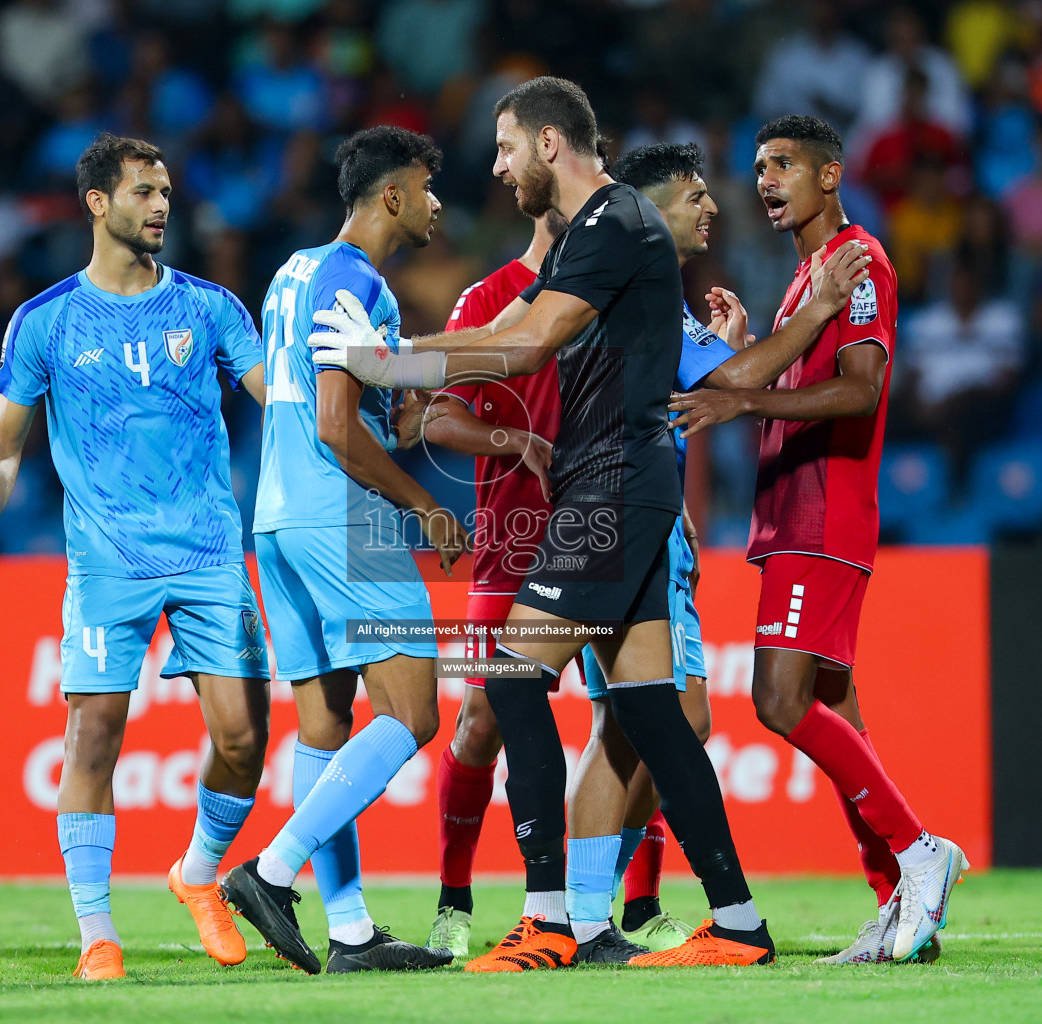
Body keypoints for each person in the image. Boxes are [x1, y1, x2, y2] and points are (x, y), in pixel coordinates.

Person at [314, 76, 779, 971]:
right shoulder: (598, 236)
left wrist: (378, 361)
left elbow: (525, 345)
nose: (497, 166)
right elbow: (515, 323)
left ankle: (550, 921)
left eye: (505, 147)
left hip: (608, 485)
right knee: (650, 709)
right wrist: (389, 359)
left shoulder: (613, 221)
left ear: (550, 144)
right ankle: (740, 923)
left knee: (514, 680)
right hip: (632, 485)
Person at [0, 134, 272, 981]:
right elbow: (5, 442)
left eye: (166, 191)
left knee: (243, 739)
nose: (162, 206)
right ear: (97, 203)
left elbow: (274, 399)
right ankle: (98, 936)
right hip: (107, 562)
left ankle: (198, 874)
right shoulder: (46, 320)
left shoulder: (211, 307)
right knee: (93, 733)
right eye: (143, 191)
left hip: (211, 551)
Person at [669, 115, 966, 965]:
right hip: (792, 514)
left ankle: (920, 852)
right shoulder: (807, 280)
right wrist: (743, 356)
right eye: (759, 165)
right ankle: (898, 897)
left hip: (823, 514)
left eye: (785, 165)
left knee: (780, 701)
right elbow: (787, 373)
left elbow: (863, 391)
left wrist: (744, 398)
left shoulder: (856, 262)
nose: (765, 179)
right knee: (834, 707)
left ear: (830, 176)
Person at [589, 141, 871, 955]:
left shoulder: (654, 298)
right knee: (652, 718)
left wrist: (735, 357)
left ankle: (598, 909)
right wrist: (816, 313)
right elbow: (727, 386)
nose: (713, 208)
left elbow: (726, 379)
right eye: (692, 197)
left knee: (649, 722)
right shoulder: (637, 292)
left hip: (639, 523)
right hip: (622, 532)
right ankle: (585, 908)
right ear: (647, 212)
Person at [219, 126, 467, 976]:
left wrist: (399, 402)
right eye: (429, 187)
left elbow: (335, 403)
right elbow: (336, 425)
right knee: (412, 713)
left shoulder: (293, 271)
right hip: (342, 518)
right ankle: (271, 871)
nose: (438, 203)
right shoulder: (356, 278)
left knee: (325, 724)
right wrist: (425, 504)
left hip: (277, 517)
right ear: (392, 195)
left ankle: (353, 931)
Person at [420, 208, 565, 959]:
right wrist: (519, 440)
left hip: (602, 543)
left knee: (640, 717)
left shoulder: (620, 289)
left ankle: (633, 907)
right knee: (480, 721)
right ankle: (454, 898)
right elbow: (437, 420)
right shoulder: (487, 299)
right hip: (511, 547)